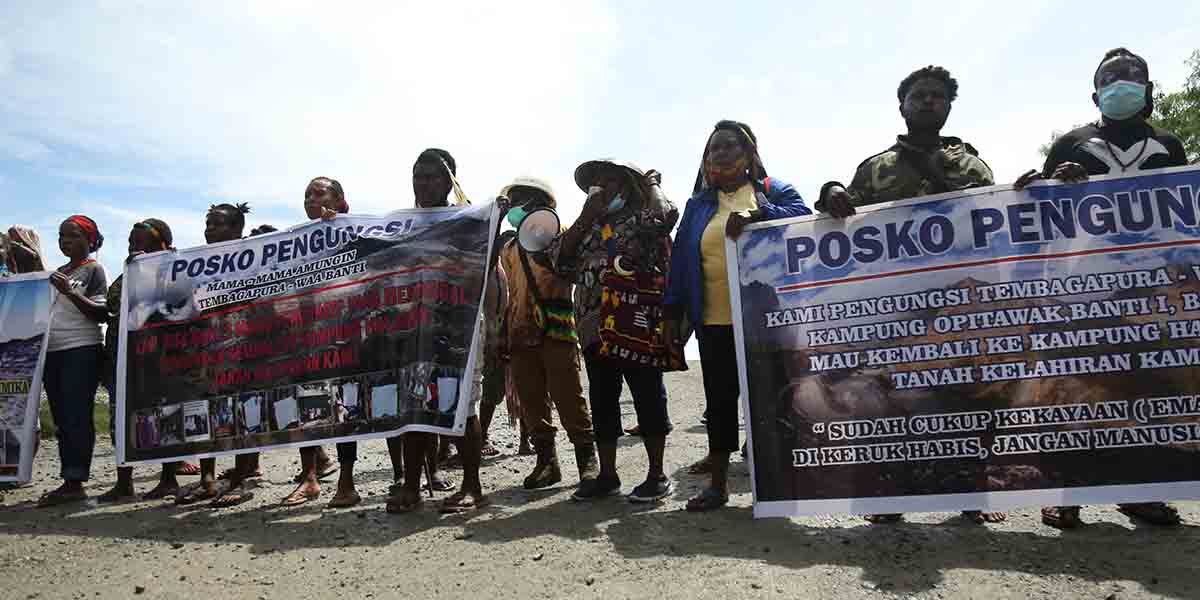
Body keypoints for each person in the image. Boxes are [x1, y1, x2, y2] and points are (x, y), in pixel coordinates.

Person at [817, 66, 1004, 525]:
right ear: (901, 105)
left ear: (948, 106)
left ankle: (970, 493)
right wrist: (830, 192)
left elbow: (992, 224)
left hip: (957, 308)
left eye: (936, 96)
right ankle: (888, 495)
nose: (927, 102)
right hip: (893, 311)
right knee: (888, 399)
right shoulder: (876, 168)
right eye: (918, 95)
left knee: (965, 399)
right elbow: (840, 221)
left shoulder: (973, 168)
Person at [1014, 48, 1188, 530]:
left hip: (1150, 290)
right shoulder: (1073, 142)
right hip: (1080, 287)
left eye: (1133, 78)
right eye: (1112, 79)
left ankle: (1140, 493)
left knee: (1145, 388)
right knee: (1076, 385)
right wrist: (1045, 183)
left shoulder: (1168, 146)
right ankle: (1066, 492)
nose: (1123, 84)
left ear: (1149, 90)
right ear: (1096, 94)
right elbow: (1035, 208)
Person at [664, 120, 810, 512]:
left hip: (766, 321)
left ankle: (780, 483)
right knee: (721, 401)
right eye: (714, 149)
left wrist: (758, 216)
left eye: (730, 146)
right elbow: (681, 262)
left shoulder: (771, 190)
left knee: (770, 399)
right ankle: (718, 484)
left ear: (748, 155)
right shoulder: (698, 206)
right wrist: (671, 314)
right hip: (713, 321)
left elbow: (803, 219)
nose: (721, 154)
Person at [552, 159, 678, 501]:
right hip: (594, 327)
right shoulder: (586, 227)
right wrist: (585, 217)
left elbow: (667, 217)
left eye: (609, 182)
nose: (601, 189)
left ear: (626, 187)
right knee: (603, 399)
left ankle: (656, 475)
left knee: (647, 394)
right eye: (596, 183)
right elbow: (557, 261)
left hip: (637, 321)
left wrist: (651, 183)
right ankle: (607, 476)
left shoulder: (640, 220)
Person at [387, 148, 490, 514]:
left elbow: (486, 264)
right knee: (414, 403)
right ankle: (412, 487)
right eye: (418, 175)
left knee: (462, 404)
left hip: (458, 326)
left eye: (431, 176)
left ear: (450, 180)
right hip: (413, 328)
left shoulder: (469, 220)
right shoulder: (400, 225)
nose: (423, 183)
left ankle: (472, 487)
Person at [498, 175, 598, 495]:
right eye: (511, 201)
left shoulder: (562, 234)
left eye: (520, 199)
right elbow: (507, 290)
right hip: (519, 330)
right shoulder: (510, 247)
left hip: (555, 329)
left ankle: (587, 460)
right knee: (531, 400)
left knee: (568, 395)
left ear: (541, 203)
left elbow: (571, 268)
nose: (514, 206)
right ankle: (547, 462)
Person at [280, 176, 362, 509]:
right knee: (307, 406)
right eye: (306, 195)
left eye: (319, 193)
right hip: (306, 336)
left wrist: (340, 226)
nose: (311, 199)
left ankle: (346, 480)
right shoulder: (295, 243)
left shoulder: (355, 233)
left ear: (341, 201)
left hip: (343, 336)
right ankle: (309, 478)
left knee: (345, 408)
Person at [96, 219, 189, 502]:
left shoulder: (176, 272)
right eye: (131, 243)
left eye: (141, 244)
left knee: (166, 416)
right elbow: (113, 305)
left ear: (163, 246)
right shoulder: (126, 275)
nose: (135, 248)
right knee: (120, 420)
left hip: (160, 360)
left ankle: (168, 478)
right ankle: (124, 482)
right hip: (123, 360)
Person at [177, 203, 252, 505]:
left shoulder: (254, 257)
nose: (209, 230)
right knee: (203, 412)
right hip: (206, 348)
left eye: (217, 224)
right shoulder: (198, 262)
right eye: (207, 224)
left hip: (243, 347)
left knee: (244, 414)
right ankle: (207, 478)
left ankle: (241, 479)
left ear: (236, 229)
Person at [37, 216, 108, 507]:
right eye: (61, 235)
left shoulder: (93, 270)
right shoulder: (57, 272)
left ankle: (75, 480)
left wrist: (70, 291)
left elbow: (102, 313)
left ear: (89, 240)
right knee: (61, 417)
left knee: (77, 415)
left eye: (73, 235)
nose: (65, 240)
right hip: (52, 351)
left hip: (80, 349)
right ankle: (69, 479)